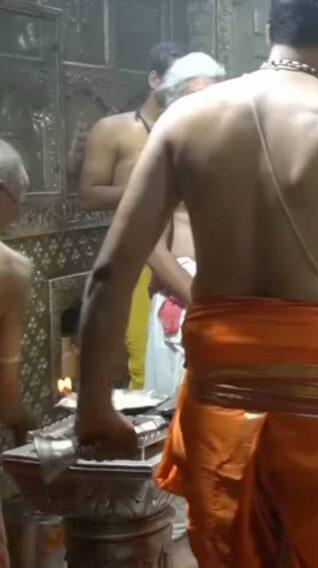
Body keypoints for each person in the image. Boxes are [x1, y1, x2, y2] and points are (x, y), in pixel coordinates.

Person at [73, 0, 318, 568]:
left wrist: (93, 407)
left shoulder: (184, 120)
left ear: (272, 31)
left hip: (220, 403)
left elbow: (111, 274)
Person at [79, 41, 190, 390]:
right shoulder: (114, 129)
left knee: (185, 357)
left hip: (187, 255)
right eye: (174, 81)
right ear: (154, 79)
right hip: (137, 257)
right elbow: (88, 194)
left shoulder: (192, 130)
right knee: (142, 356)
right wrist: (147, 191)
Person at [143, 52, 224, 397]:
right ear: (173, 103)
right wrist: (196, 298)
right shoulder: (163, 158)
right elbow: (150, 245)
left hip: (230, 301)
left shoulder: (238, 153)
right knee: (172, 410)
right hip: (183, 296)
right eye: (195, 96)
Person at [0, 139, 38, 568]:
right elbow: (6, 398)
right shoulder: (11, 269)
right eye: (19, 199)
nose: (20, 212)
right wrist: (30, 433)